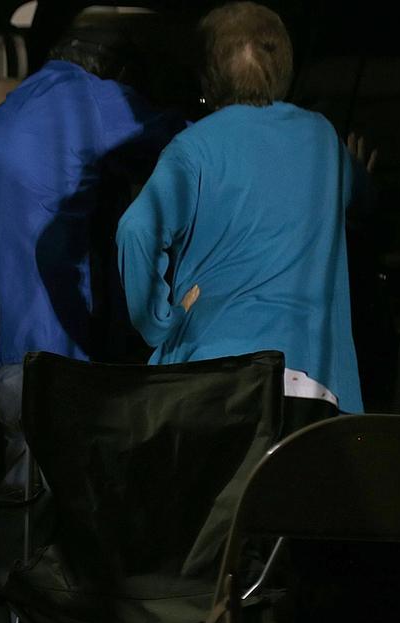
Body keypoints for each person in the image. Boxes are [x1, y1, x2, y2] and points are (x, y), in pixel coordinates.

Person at [0, 24, 184, 623]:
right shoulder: (97, 101)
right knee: (30, 543)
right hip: (40, 357)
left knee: (7, 529)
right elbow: (196, 142)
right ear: (114, 72)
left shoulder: (3, 116)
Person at [116, 1, 377, 424]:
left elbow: (137, 229)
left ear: (207, 77)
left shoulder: (193, 148)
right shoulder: (322, 140)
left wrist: (159, 322)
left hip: (213, 375)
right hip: (311, 383)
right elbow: (363, 200)